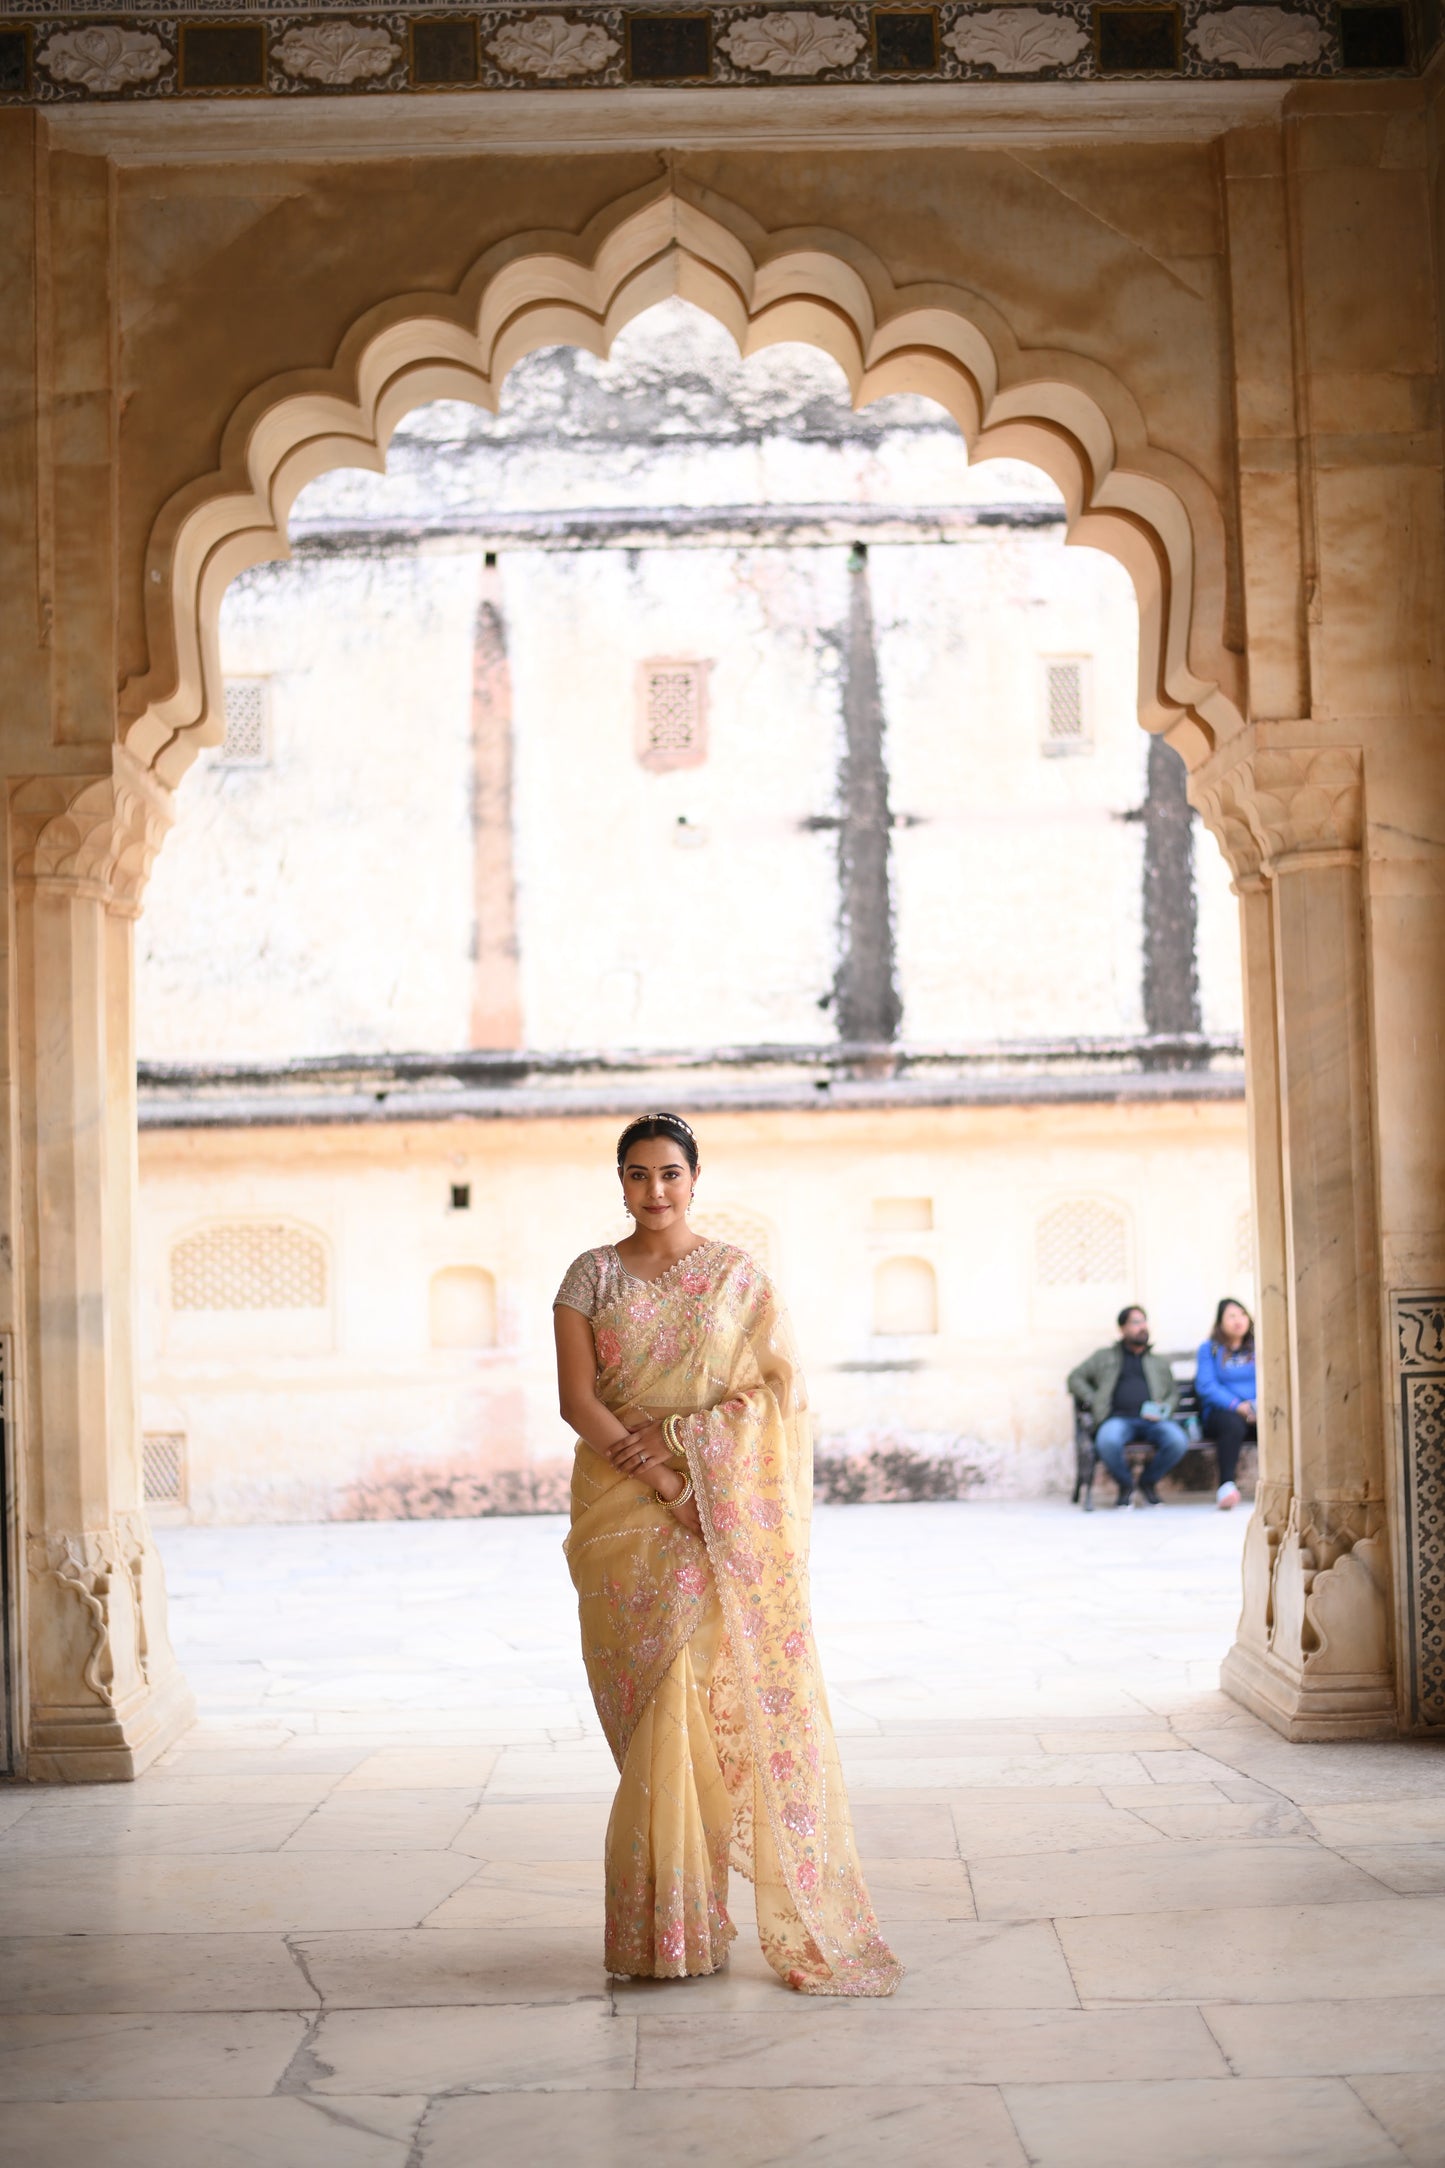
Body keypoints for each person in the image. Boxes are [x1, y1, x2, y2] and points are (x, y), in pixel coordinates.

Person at [553, 1111, 902, 1998]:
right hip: (623, 1510)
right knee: (646, 1712)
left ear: (695, 1179)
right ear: (620, 1183)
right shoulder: (587, 1277)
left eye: (669, 1174)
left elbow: (775, 1394)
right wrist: (658, 1473)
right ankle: (668, 1919)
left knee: (687, 1705)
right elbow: (576, 1400)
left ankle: (674, 1928)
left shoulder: (735, 1278)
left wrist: (692, 1464)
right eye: (637, 1176)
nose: (654, 1191)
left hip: (715, 1517)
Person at [1068, 1304, 1189, 1507]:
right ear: (1122, 1328)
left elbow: (1173, 1393)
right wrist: (1093, 1398)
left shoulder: (1158, 1362)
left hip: (1153, 1421)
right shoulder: (1104, 1356)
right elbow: (1075, 1378)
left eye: (1144, 1321)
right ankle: (1126, 1485)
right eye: (1135, 1322)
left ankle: (1147, 1482)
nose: (1142, 1327)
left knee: (1177, 1440)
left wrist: (1164, 1408)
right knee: (1107, 1440)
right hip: (1117, 1418)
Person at [1195, 1296, 1256, 1511]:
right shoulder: (1209, 1349)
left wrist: (1257, 1406)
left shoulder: (1259, 1347)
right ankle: (1226, 1486)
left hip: (1257, 1410)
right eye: (1231, 1316)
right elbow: (1206, 1386)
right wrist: (1238, 1406)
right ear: (1220, 1322)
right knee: (1232, 1425)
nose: (1238, 1320)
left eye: (1242, 1314)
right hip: (1222, 1412)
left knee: (1277, 1422)